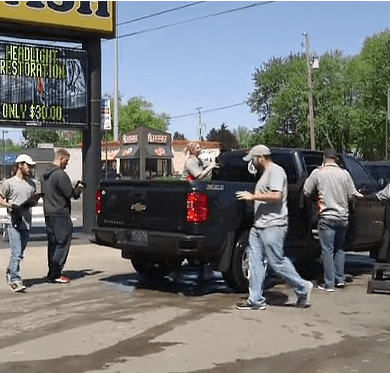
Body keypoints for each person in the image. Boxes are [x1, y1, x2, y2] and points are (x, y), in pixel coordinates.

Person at [236, 145, 313, 310]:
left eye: (253, 159)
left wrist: (253, 196)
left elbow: (277, 196)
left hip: (274, 225)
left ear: (261, 158)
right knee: (254, 261)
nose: (252, 163)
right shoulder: (265, 174)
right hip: (259, 226)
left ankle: (302, 288)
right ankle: (255, 300)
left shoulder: (276, 172)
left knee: (276, 262)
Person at [303, 149, 363, 292]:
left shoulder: (318, 173)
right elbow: (352, 194)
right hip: (343, 217)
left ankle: (329, 284)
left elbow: (306, 190)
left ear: (324, 158)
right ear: (336, 159)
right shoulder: (344, 174)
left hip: (326, 216)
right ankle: (340, 279)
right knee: (339, 249)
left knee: (327, 250)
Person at [41, 148, 85, 284]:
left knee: (53, 243)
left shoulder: (44, 175)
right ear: (60, 159)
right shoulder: (60, 175)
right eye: (66, 161)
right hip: (61, 214)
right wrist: (80, 187)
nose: (67, 164)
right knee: (63, 242)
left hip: (48, 213)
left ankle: (52, 272)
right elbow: (71, 194)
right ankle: (56, 273)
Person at [0, 154, 40, 292]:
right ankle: (15, 280)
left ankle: (10, 271)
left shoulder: (31, 184)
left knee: (19, 253)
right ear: (20, 165)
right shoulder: (9, 183)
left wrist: (33, 202)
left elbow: (32, 201)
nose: (30, 169)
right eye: (28, 166)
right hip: (13, 223)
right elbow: (1, 199)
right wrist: (10, 205)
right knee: (16, 253)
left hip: (26, 222)